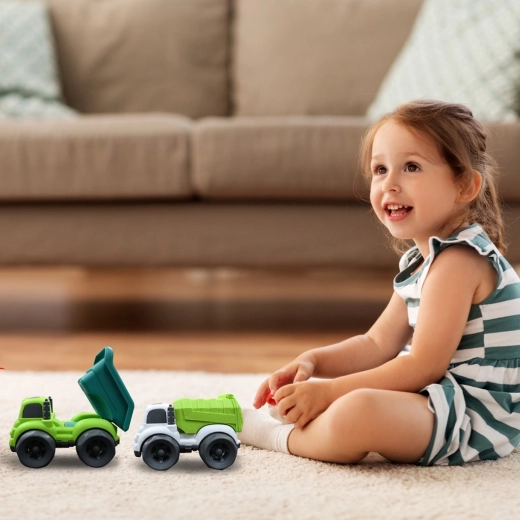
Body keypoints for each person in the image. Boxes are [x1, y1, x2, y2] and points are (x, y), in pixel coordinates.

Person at [238, 99, 520, 466]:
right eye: (380, 169)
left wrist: (329, 393)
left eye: (411, 167)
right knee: (354, 401)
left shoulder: (458, 262)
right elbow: (376, 343)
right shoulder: (425, 260)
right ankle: (315, 421)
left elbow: (422, 366)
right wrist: (311, 361)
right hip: (442, 397)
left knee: (358, 410)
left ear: (464, 186)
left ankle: (275, 436)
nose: (390, 184)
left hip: (476, 417)